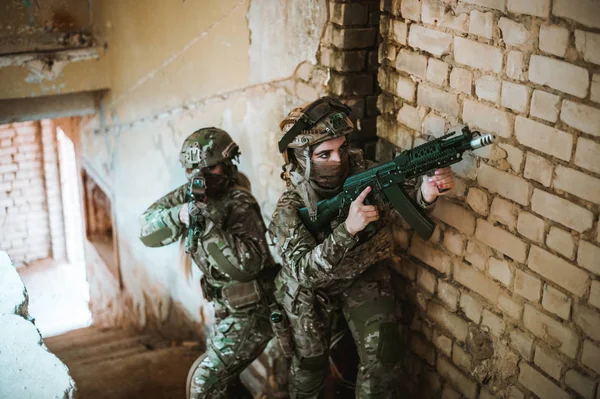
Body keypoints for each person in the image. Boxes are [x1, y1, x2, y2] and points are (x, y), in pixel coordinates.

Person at [269, 97, 455, 398]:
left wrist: (427, 191)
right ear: (301, 159)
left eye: (341, 149)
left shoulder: (365, 173)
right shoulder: (290, 208)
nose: (337, 160)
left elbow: (402, 205)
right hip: (308, 290)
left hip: (361, 273)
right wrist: (347, 230)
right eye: (324, 154)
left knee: (385, 353)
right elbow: (304, 272)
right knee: (309, 366)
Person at [139, 127, 278, 399]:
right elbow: (146, 230)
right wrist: (180, 214)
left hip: (254, 310)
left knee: (204, 382)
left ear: (227, 166)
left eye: (211, 168)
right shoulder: (192, 194)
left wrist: (208, 225)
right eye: (195, 170)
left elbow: (248, 265)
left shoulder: (239, 201)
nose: (202, 177)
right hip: (226, 310)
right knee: (226, 385)